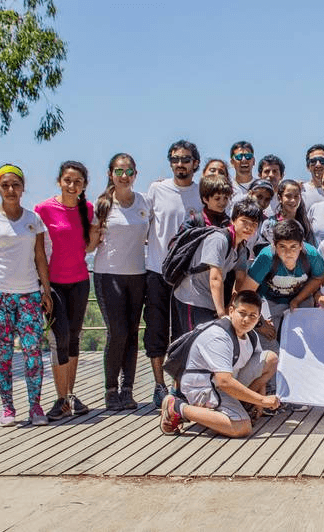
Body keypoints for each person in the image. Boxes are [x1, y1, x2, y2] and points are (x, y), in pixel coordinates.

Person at [0, 164, 53, 426]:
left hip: (29, 295)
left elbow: (40, 257)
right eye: (5, 185)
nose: (10, 190)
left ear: (23, 187)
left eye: (15, 185)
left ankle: (35, 406)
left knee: (33, 352)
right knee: (3, 354)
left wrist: (46, 290)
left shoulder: (33, 220)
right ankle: (7, 407)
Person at [160, 290, 280, 438]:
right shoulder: (219, 336)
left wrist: (259, 403)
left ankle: (236, 407)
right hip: (202, 386)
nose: (246, 320)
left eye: (252, 316)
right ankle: (178, 407)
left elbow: (261, 369)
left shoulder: (251, 335)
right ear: (231, 311)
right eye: (242, 313)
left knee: (271, 359)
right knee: (242, 427)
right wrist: (262, 400)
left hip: (223, 382)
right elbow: (224, 382)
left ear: (258, 317)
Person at [144, 140, 204, 407]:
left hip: (187, 275)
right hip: (157, 271)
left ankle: (178, 386)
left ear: (195, 163)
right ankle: (159, 386)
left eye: (185, 159)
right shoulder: (156, 189)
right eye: (175, 159)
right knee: (156, 330)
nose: (180, 164)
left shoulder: (201, 193)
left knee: (183, 333)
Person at [35, 161, 94, 421]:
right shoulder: (43, 209)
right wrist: (42, 287)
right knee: (59, 338)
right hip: (53, 284)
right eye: (68, 180)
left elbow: (91, 242)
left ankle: (70, 395)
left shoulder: (87, 209)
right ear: (59, 181)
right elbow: (36, 249)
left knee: (73, 339)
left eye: (77, 181)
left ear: (84, 185)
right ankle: (60, 399)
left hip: (80, 282)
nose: (72, 185)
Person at [91, 153, 151, 410]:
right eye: (119, 171)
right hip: (108, 275)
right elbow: (90, 243)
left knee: (132, 333)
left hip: (138, 274)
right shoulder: (102, 205)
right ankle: (110, 389)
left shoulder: (144, 202)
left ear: (135, 174)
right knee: (117, 332)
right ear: (110, 174)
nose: (124, 176)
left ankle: (128, 389)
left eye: (128, 171)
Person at [173, 199, 261, 333]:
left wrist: (231, 306)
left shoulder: (241, 247)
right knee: (194, 340)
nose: (249, 227)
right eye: (244, 221)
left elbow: (240, 279)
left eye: (254, 224)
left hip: (211, 301)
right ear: (233, 220)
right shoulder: (219, 240)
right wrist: (221, 313)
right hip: (192, 298)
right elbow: (215, 278)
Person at [243, 220, 324, 350]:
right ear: (274, 245)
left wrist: (298, 299)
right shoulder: (266, 257)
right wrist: (259, 323)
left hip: (301, 298)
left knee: (309, 338)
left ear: (301, 246)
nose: (288, 253)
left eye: (293, 247)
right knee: (269, 343)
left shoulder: (311, 254)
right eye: (282, 247)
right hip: (270, 299)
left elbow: (319, 277)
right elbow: (246, 293)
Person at [258, 179, 315, 249]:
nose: (293, 200)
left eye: (296, 196)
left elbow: (312, 250)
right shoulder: (269, 224)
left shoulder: (305, 225)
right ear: (280, 198)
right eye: (288, 196)